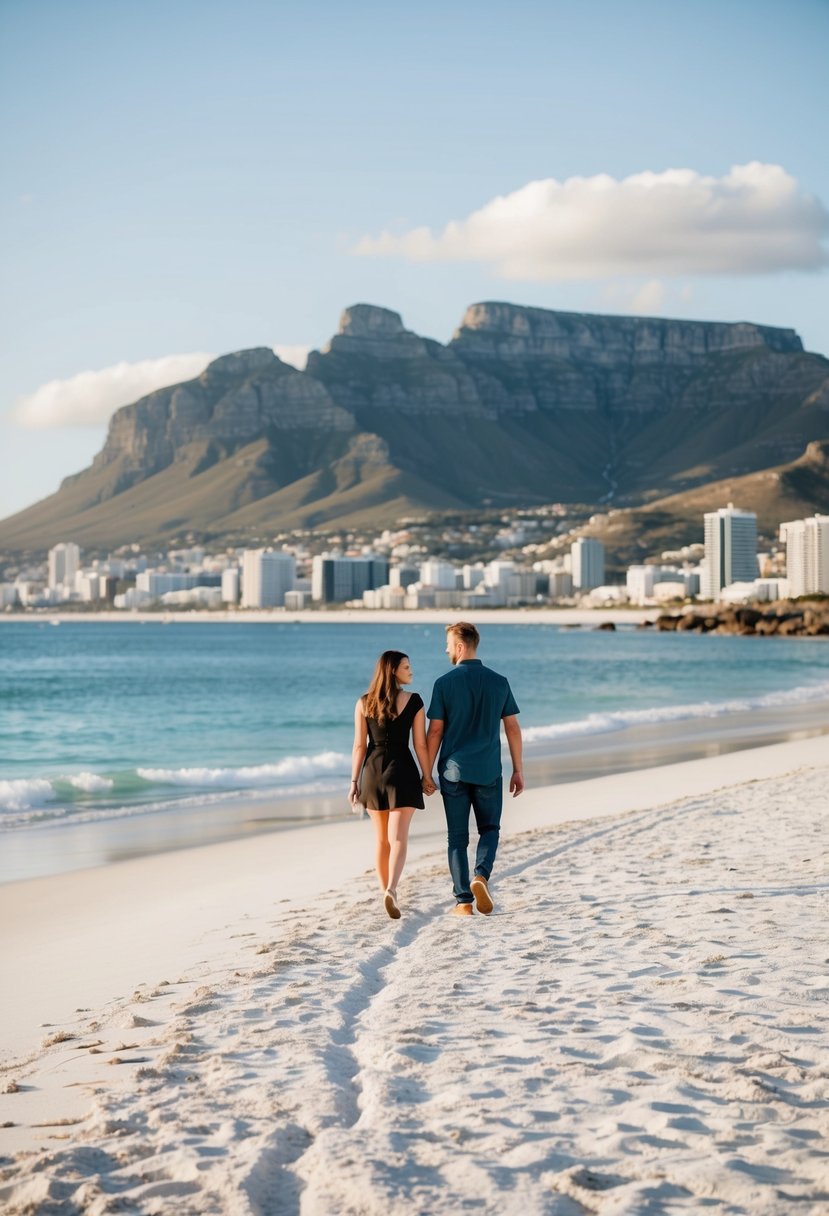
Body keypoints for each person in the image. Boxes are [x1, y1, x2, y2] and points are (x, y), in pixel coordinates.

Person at [426, 622, 523, 916]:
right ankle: (481, 875)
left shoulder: (444, 684)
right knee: (490, 829)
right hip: (488, 771)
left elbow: (435, 732)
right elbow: (513, 729)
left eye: (447, 644)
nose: (445, 649)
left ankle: (464, 902)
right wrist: (518, 769)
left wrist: (425, 772)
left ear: (459, 646)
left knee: (457, 837)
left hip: (454, 771)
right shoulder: (499, 681)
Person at [351, 650, 436, 919]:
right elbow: (420, 744)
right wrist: (427, 775)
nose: (411, 671)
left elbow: (359, 747)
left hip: (372, 773)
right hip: (402, 771)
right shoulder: (414, 701)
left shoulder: (364, 703)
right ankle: (392, 889)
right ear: (393, 671)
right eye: (406, 667)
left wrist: (354, 782)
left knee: (382, 840)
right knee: (398, 838)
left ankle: (383, 891)